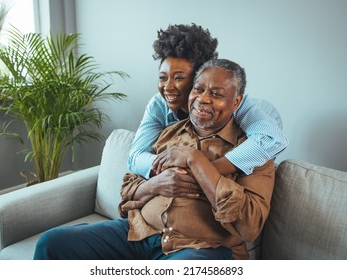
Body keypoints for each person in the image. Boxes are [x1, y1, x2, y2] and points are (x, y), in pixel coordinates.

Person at [33, 58, 275, 260]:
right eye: (198, 89)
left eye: (216, 94)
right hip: (137, 233)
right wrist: (154, 185)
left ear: (237, 101)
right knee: (51, 243)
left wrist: (196, 161)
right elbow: (128, 190)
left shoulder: (254, 153)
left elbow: (249, 226)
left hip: (200, 248)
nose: (203, 99)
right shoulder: (169, 132)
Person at [128, 23, 288, 179]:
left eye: (179, 78)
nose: (168, 87)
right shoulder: (158, 104)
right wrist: (173, 171)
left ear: (198, 78)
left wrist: (203, 171)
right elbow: (135, 157)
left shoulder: (234, 103)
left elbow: (272, 139)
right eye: (163, 78)